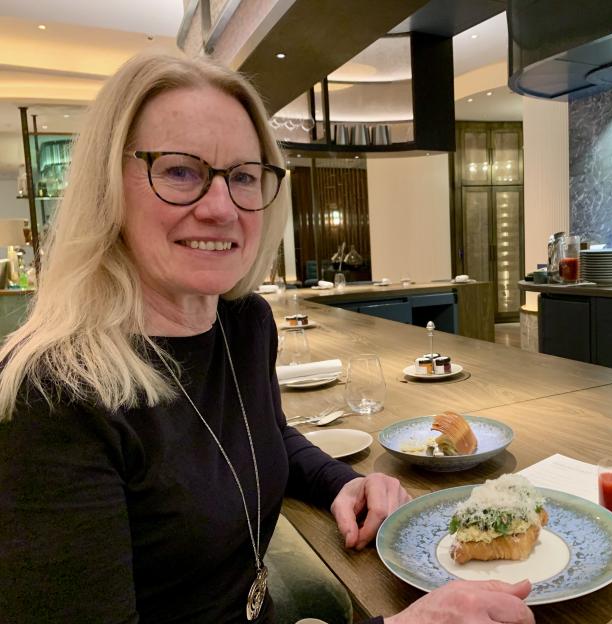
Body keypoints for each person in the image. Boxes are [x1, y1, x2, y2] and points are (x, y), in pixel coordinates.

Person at [0, 54, 534, 624]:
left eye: (243, 176)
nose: (220, 207)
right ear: (107, 185)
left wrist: (343, 483)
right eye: (180, 170)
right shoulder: (50, 397)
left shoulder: (242, 323)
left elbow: (267, 432)